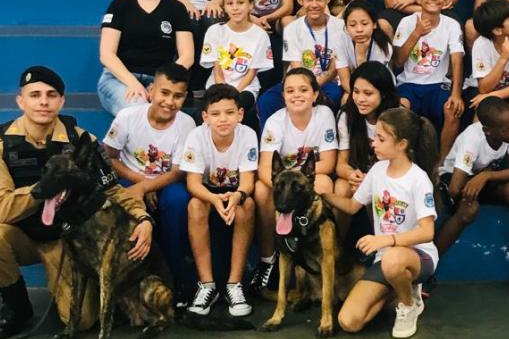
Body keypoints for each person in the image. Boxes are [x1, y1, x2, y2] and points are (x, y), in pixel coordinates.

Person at [0, 66, 153, 338]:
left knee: (81, 321)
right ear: (21, 101)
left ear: (62, 101)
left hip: (65, 239)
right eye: (34, 95)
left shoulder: (82, 141)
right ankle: (16, 307)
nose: (43, 101)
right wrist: (44, 189)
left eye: (51, 94)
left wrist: (142, 217)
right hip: (18, 234)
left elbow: (112, 189)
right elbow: (0, 207)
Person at [322, 107, 438, 338]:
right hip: (384, 260)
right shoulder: (377, 170)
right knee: (349, 322)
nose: (374, 142)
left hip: (417, 256)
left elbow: (427, 232)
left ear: (401, 144)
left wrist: (387, 240)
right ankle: (401, 290)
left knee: (393, 259)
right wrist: (325, 195)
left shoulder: (418, 179)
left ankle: (408, 306)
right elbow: (352, 206)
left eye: (381, 138)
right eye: (375, 136)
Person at [102, 62, 197, 303]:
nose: (169, 101)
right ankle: (123, 290)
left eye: (178, 96)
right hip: (129, 183)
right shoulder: (127, 117)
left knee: (178, 199)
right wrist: (140, 183)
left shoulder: (186, 124)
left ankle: (177, 279)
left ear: (185, 97)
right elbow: (108, 157)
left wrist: (147, 187)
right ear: (151, 90)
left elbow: (178, 172)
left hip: (166, 186)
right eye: (164, 93)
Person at [435, 97, 509, 297]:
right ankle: (428, 268)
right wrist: (476, 183)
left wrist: (486, 176)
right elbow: (455, 187)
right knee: (469, 209)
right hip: (455, 179)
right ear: (488, 131)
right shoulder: (472, 138)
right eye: (507, 129)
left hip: (484, 178)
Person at [252, 69, 338, 294]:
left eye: (303, 90)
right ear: (283, 97)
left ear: (315, 94)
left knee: (325, 184)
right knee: (262, 190)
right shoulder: (275, 121)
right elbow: (264, 169)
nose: (296, 95)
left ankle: (324, 252)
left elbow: (328, 163)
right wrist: (287, 189)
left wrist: (297, 183)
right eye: (290, 90)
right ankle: (269, 258)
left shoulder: (325, 114)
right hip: (286, 182)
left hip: (306, 180)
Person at [180, 84, 258, 317]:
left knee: (249, 206)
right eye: (215, 114)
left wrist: (237, 196)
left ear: (240, 114)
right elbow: (192, 184)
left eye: (230, 112)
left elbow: (247, 181)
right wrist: (214, 199)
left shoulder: (248, 135)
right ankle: (207, 284)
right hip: (207, 192)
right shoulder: (196, 136)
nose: (223, 119)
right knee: (195, 205)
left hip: (235, 191)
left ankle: (234, 284)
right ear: (205, 117)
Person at [98, 0, 194, 116]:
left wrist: (161, 83)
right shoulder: (119, 6)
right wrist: (133, 83)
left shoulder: (176, 8)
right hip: (119, 80)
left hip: (160, 82)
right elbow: (106, 55)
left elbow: (187, 56)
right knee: (139, 111)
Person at [257, 0, 351, 120]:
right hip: (298, 81)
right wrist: (306, 89)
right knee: (266, 101)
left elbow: (335, 67)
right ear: (300, 0)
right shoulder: (292, 28)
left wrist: (315, 86)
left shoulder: (340, 27)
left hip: (328, 82)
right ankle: (271, 142)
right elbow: (296, 67)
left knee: (332, 96)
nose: (314, 5)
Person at [464, 0, 509, 192]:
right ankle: (474, 165)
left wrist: (492, 95)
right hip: (488, 92)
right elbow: (484, 87)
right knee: (482, 109)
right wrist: (504, 57)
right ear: (497, 30)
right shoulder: (481, 44)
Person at [393, 0, 464, 161]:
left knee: (452, 109)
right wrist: (416, 34)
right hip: (408, 84)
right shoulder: (407, 22)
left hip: (437, 84)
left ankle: (442, 163)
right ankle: (403, 161)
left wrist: (456, 93)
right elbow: (398, 62)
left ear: (446, 0)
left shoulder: (452, 25)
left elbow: (457, 60)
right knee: (400, 110)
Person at [200, 0, 274, 131]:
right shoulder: (215, 31)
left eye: (240, 2)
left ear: (250, 5)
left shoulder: (260, 35)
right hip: (217, 85)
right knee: (214, 108)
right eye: (230, 3)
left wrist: (235, 92)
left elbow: (252, 71)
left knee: (238, 104)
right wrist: (223, 90)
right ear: (224, 7)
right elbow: (217, 67)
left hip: (245, 88)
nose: (235, 8)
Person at [335, 62, 402, 202]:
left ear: (383, 94)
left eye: (368, 93)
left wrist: (373, 180)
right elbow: (341, 164)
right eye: (356, 91)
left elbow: (403, 164)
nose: (360, 99)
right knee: (342, 188)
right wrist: (352, 175)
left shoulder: (398, 117)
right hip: (360, 175)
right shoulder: (346, 116)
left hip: (390, 177)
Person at [343, 0, 394, 69]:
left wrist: (361, 57)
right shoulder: (340, 40)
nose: (359, 29)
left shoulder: (384, 46)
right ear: (346, 27)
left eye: (364, 24)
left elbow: (373, 79)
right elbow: (343, 76)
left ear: (374, 24)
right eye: (352, 25)